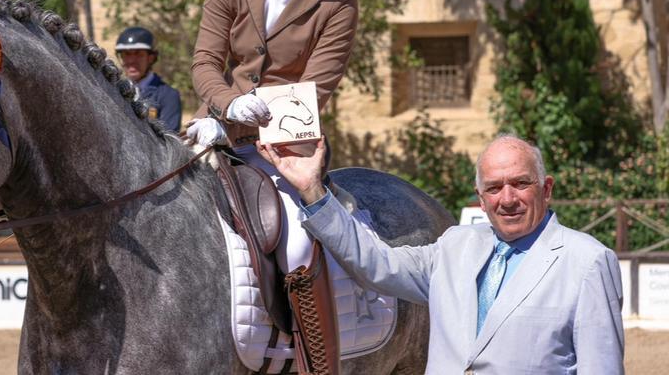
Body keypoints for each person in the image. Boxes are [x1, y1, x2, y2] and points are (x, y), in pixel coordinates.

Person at [258, 134, 625, 374]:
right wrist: (313, 193)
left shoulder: (588, 261)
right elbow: (375, 263)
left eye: (520, 183)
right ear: (481, 200)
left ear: (546, 188)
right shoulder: (454, 246)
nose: (507, 199)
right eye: (494, 188)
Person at [187, 0, 358, 276]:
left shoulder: (338, 2)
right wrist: (227, 107)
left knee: (296, 246)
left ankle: (304, 338)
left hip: (286, 144)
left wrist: (243, 119)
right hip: (213, 128)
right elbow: (205, 62)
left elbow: (315, 90)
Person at [115, 26, 182, 132]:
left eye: (139, 54)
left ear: (150, 58)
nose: (132, 60)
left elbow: (169, 140)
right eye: (126, 54)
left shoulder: (168, 95)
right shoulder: (114, 91)